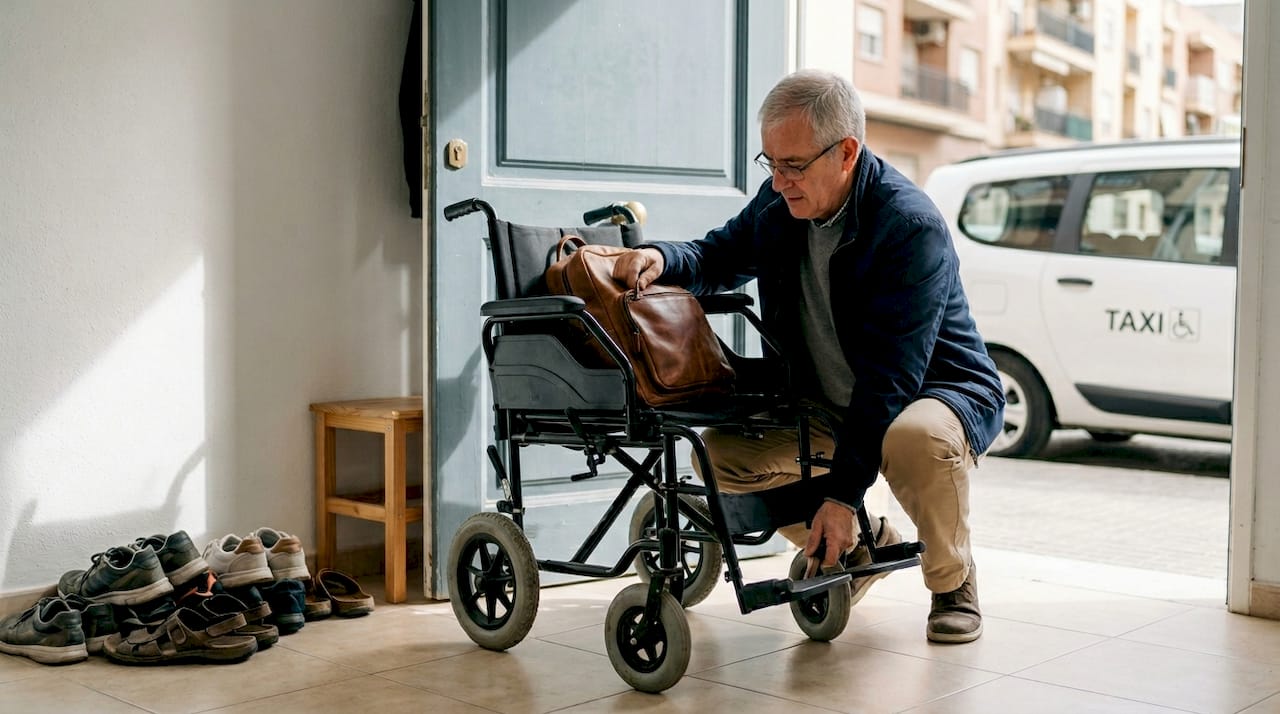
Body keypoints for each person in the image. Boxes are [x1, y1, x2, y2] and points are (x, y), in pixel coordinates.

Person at [611, 69, 1005, 643]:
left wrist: (841, 495)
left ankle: (952, 581)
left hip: (930, 394)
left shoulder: (907, 227)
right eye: (769, 162)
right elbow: (717, 253)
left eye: (792, 165)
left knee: (913, 436)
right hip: (827, 399)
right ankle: (866, 544)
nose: (778, 180)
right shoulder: (779, 204)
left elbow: (891, 380)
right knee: (720, 457)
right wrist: (661, 258)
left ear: (847, 153)